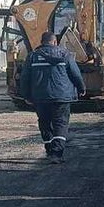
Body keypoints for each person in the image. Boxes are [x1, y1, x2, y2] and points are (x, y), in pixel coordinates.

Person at [19, 31, 86, 164]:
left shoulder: (33, 56)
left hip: (40, 97)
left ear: (42, 42)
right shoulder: (65, 55)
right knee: (60, 123)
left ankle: (50, 150)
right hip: (61, 97)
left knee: (44, 123)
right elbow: (75, 74)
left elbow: (25, 77)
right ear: (55, 42)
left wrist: (26, 95)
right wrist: (81, 88)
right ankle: (57, 153)